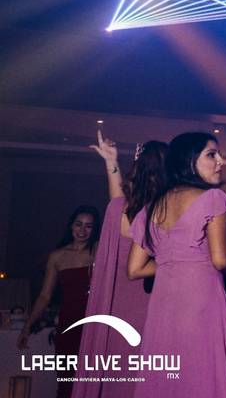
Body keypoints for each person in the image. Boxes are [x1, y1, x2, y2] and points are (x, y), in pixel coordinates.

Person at [128, 132, 226, 397]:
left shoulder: (151, 207)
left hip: (164, 308)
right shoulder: (213, 199)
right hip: (202, 304)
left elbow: (134, 270)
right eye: (211, 154)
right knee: (204, 377)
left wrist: (174, 262)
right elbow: (221, 259)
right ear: (190, 161)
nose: (221, 161)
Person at [76, 133, 166, 398]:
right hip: (148, 303)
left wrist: (111, 163)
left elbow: (116, 197)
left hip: (116, 304)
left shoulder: (120, 209)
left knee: (118, 370)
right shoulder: (161, 213)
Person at [19, 205, 101, 398]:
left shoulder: (99, 249)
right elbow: (45, 296)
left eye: (88, 226)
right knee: (67, 381)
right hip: (69, 323)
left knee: (95, 381)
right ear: (71, 226)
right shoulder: (57, 256)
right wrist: (27, 326)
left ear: (95, 229)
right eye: (78, 224)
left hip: (96, 324)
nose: (82, 230)